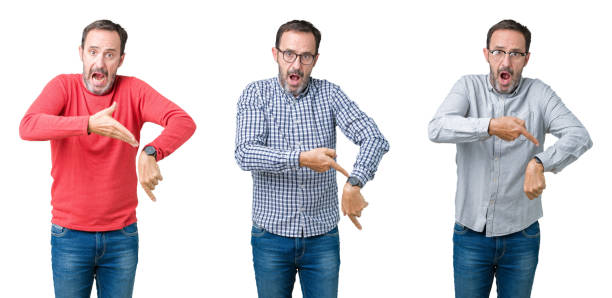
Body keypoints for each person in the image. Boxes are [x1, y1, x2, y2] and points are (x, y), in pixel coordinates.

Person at [19, 19, 196, 298]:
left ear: (121, 60)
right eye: (93, 52)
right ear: (81, 53)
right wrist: (87, 124)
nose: (99, 63)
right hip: (69, 236)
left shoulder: (134, 90)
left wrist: (151, 151)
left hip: (121, 237)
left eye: (109, 54)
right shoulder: (63, 87)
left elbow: (182, 121)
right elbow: (28, 126)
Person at [428, 19, 592, 298]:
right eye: (498, 52)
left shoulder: (539, 93)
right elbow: (437, 128)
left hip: (522, 236)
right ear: (486, 54)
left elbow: (579, 135)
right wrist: (490, 126)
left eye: (515, 53)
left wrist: (540, 162)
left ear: (526, 59)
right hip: (470, 236)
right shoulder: (467, 87)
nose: (506, 61)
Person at [235, 20, 389, 298]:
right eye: (289, 54)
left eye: (305, 56)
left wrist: (355, 182)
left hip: (322, 238)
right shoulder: (256, 94)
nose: (296, 65)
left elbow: (374, 138)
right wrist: (301, 158)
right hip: (270, 237)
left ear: (315, 59)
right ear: (275, 54)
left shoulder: (330, 94)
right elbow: (245, 153)